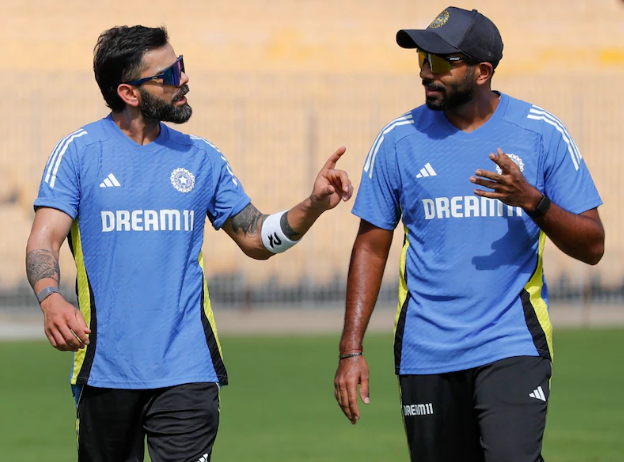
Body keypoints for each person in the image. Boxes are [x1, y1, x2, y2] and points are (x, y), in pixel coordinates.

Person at [25, 25, 352, 462]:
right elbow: (44, 239)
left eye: (181, 65)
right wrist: (50, 297)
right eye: (170, 73)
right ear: (129, 92)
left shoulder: (202, 158)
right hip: (105, 369)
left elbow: (255, 237)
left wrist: (311, 205)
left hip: (187, 369)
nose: (184, 80)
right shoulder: (79, 153)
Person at [333, 7, 604, 462]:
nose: (425, 72)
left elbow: (593, 245)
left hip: (512, 342)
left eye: (440, 62)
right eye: (422, 58)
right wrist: (351, 349)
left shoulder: (540, 133)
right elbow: (371, 245)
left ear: (482, 71)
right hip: (425, 350)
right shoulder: (397, 140)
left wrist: (533, 201)